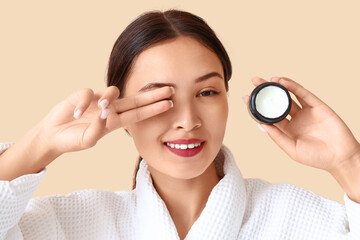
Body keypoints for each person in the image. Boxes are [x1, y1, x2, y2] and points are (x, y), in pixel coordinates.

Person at [0, 9, 359, 240]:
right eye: (159, 99)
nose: (187, 121)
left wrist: (349, 164)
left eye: (206, 92)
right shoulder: (70, 224)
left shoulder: (296, 218)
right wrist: (42, 143)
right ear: (121, 113)